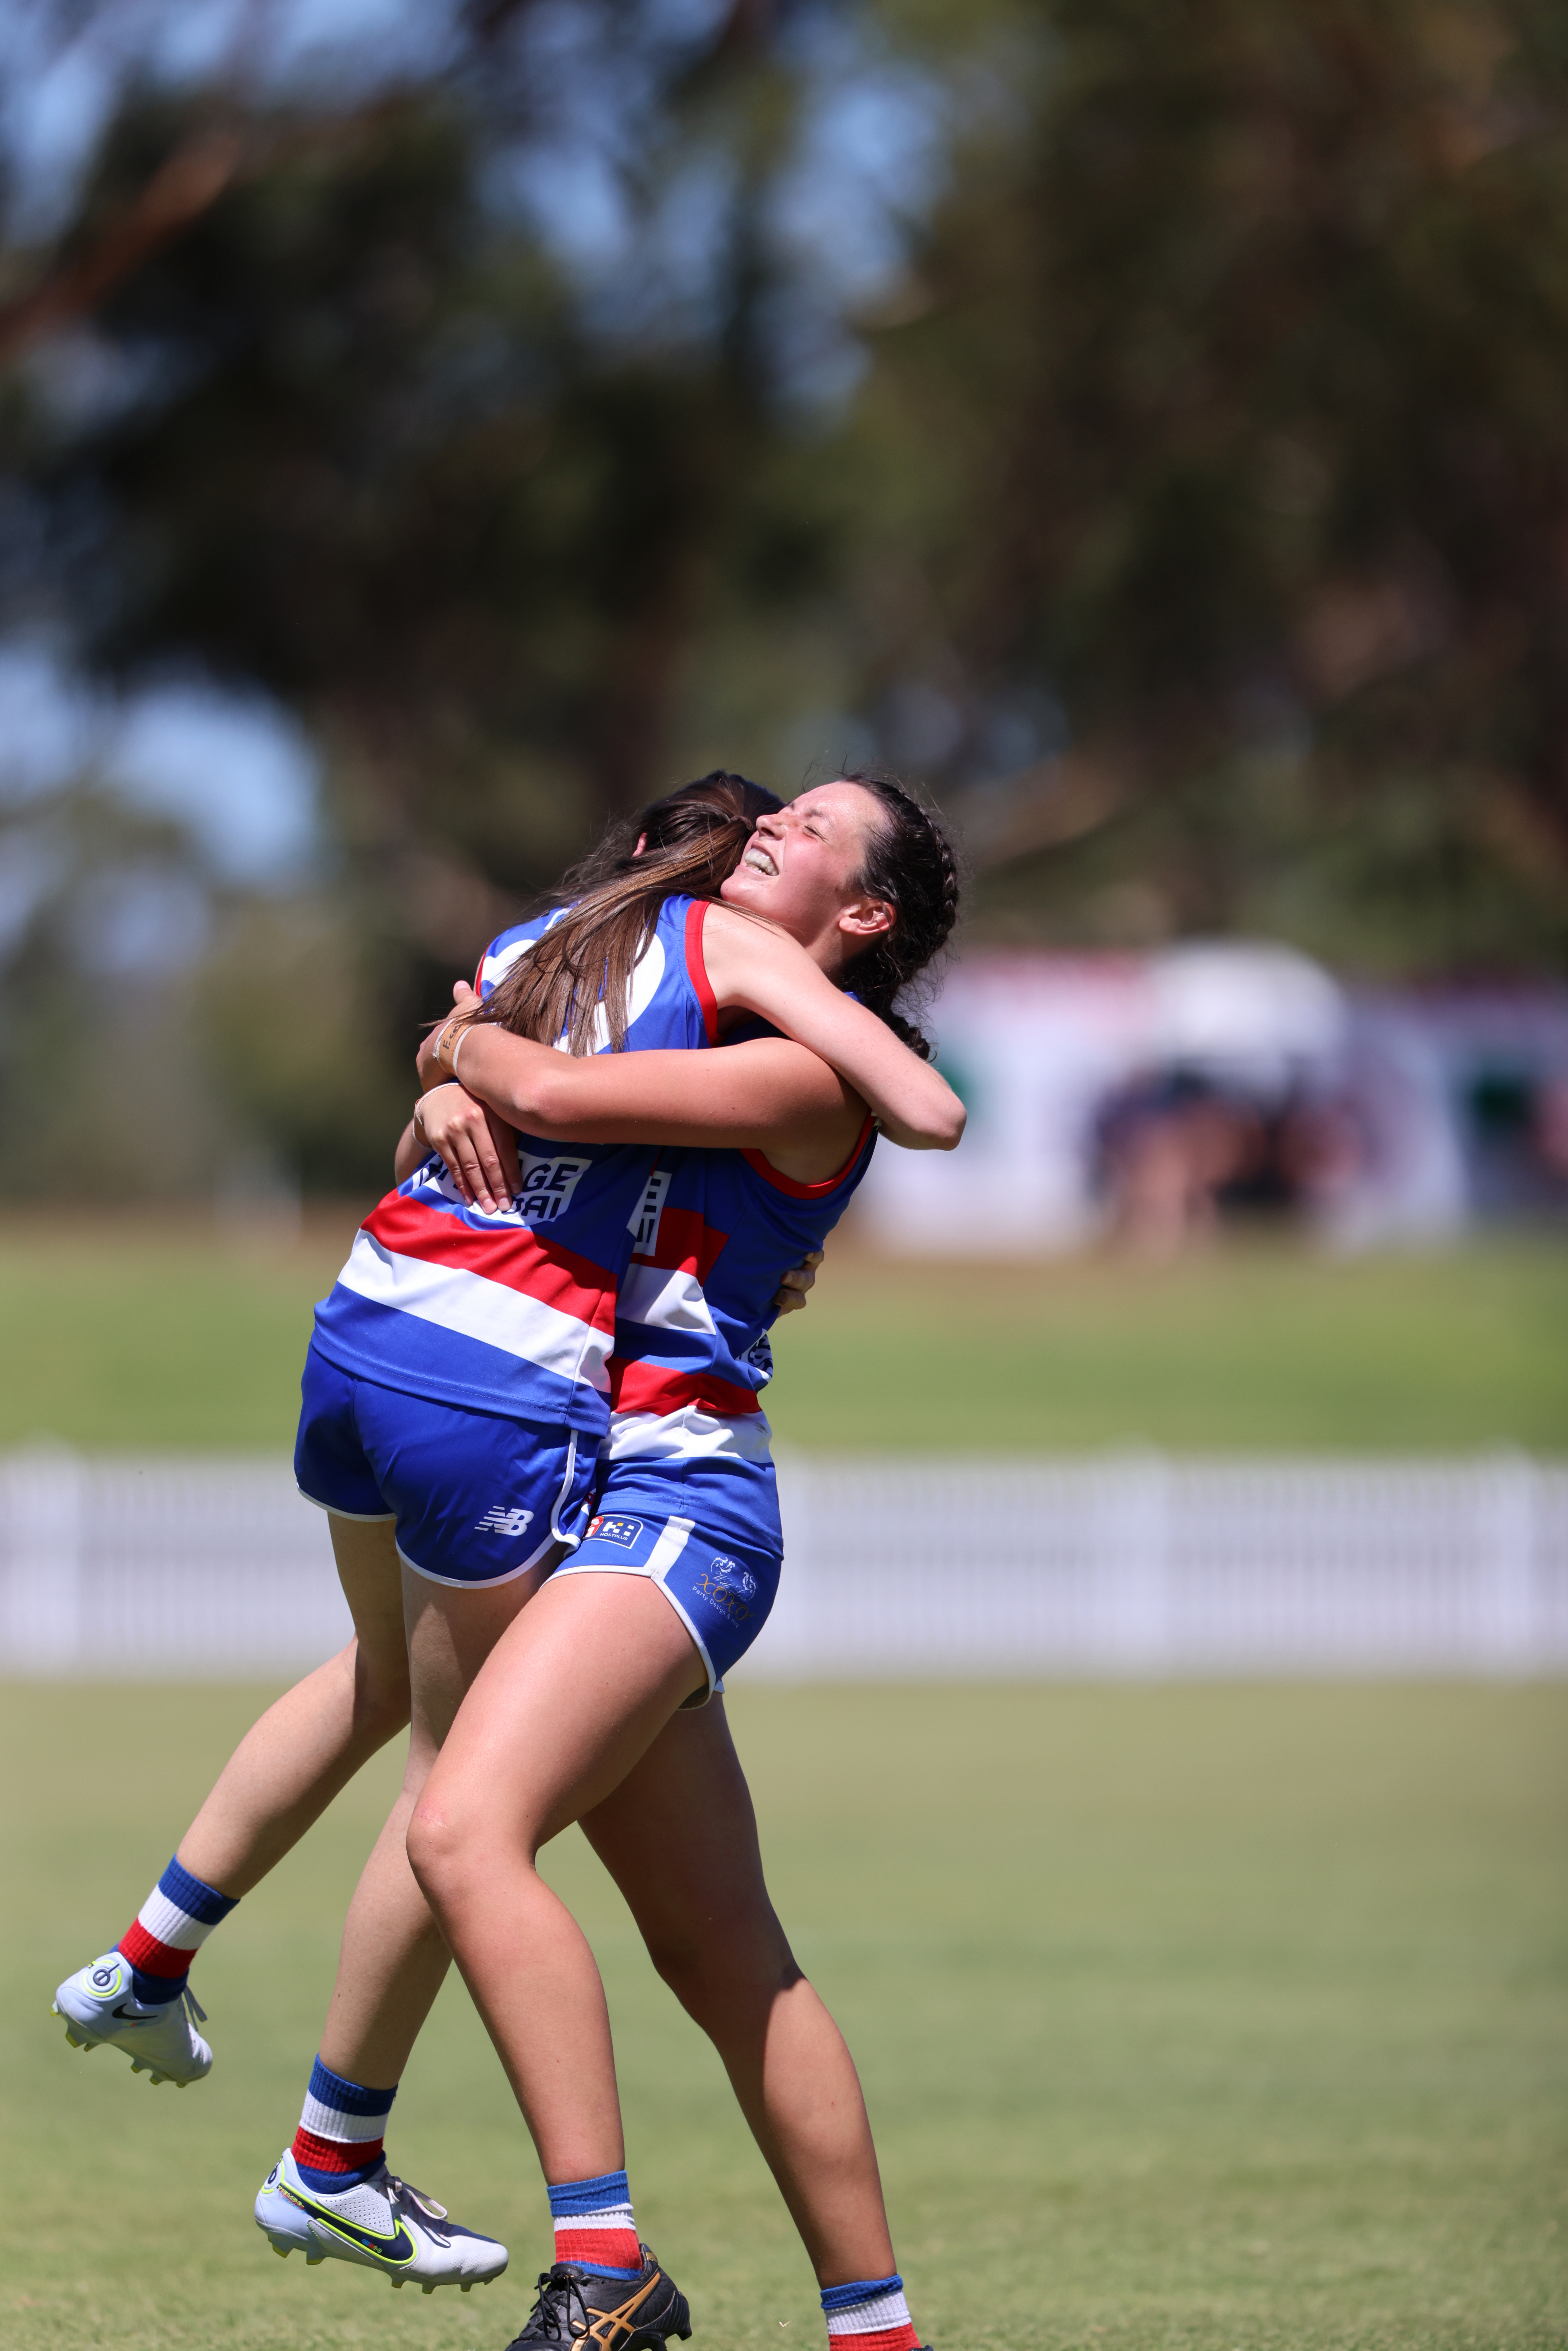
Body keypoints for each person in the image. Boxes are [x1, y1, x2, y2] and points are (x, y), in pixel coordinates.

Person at [51, 774, 960, 2333]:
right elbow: (549, 1098)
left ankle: (600, 2271)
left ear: (864, 915)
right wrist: (450, 1072)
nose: (770, 827)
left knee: (465, 1828)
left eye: (811, 827)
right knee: (724, 1958)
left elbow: (560, 1095)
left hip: (677, 1509)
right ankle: (878, 2331)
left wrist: (464, 1050)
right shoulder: (689, 1003)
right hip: (596, 1493)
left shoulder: (810, 1071)